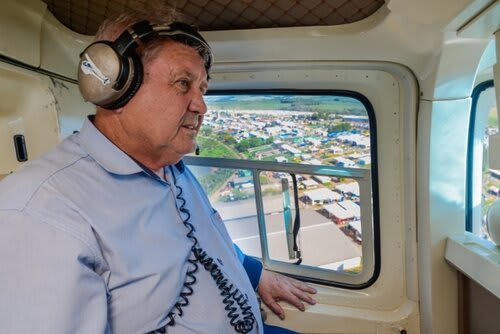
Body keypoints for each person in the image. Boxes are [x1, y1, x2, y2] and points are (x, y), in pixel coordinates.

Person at [0, 3, 316, 334]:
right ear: (113, 87)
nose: (202, 105)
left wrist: (254, 273)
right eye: (183, 83)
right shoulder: (40, 211)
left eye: (202, 89)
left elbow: (202, 234)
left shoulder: (171, 168)